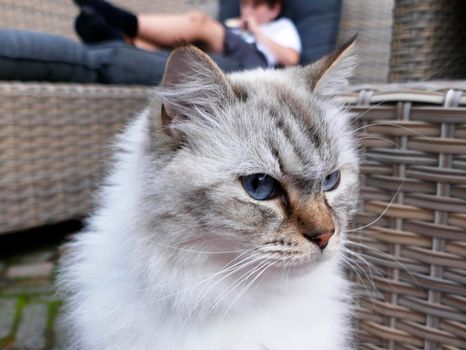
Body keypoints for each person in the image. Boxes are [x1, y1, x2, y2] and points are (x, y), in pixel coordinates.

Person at [73, 0, 302, 68]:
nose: (246, 11)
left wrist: (255, 30)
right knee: (180, 47)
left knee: (200, 22)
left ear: (274, 9)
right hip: (222, 52)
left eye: (255, 6)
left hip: (255, 61)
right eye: (244, 5)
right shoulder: (234, 27)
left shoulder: (282, 27)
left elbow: (291, 59)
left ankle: (117, 18)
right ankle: (118, 40)